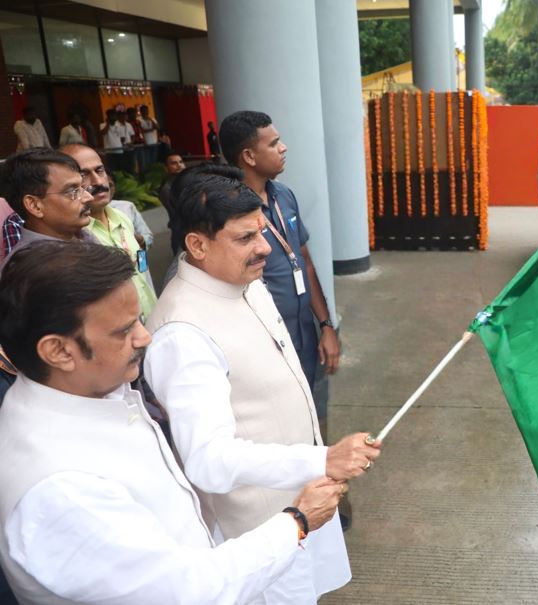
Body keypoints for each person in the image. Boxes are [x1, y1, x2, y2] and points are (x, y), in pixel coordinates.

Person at [0, 240, 346, 604]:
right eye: (122, 330)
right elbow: (189, 591)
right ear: (58, 351)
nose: (144, 336)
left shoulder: (92, 393)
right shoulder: (60, 492)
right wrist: (297, 522)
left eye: (138, 319)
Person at [144, 165, 381, 604]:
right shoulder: (183, 333)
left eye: (262, 231)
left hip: (300, 502)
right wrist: (323, 458)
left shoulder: (241, 281)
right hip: (256, 529)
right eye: (246, 238)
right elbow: (209, 460)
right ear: (196, 244)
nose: (264, 248)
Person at [219, 111, 340, 434]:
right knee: (280, 426)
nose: (283, 148)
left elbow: (304, 259)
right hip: (266, 343)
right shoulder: (226, 209)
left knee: (313, 416)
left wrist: (326, 325)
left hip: (305, 334)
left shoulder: (284, 195)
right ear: (248, 156)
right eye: (273, 143)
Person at [61, 143, 157, 319]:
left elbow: (142, 271)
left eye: (99, 171)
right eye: (84, 175)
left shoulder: (122, 217)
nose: (97, 182)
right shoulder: (72, 237)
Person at [0, 148, 95, 272]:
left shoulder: (82, 237)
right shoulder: (32, 272)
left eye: (83, 187)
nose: (89, 197)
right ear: (34, 206)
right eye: (72, 191)